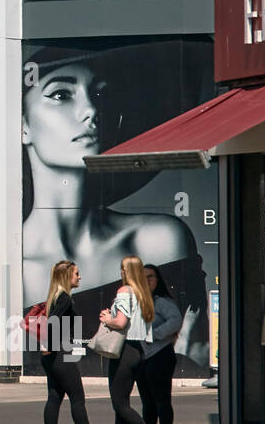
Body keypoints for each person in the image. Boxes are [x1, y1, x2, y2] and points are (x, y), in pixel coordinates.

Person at [21, 51, 207, 367]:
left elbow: (194, 349)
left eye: (98, 95)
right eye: (61, 94)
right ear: (23, 126)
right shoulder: (16, 265)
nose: (90, 110)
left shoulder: (158, 240)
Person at [97, 256, 165, 424]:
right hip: (138, 351)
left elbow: (120, 321)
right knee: (122, 403)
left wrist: (108, 319)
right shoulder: (144, 295)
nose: (120, 272)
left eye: (122, 269)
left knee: (120, 404)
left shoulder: (124, 291)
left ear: (126, 272)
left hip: (124, 350)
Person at [38, 260, 110, 424]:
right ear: (66, 276)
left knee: (54, 397)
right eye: (76, 273)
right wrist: (51, 347)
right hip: (61, 354)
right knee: (78, 399)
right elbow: (52, 324)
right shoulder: (64, 299)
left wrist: (46, 349)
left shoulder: (53, 297)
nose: (79, 277)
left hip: (52, 356)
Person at [135, 263, 182, 424]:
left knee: (162, 399)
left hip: (160, 356)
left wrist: (155, 334)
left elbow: (175, 320)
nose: (147, 281)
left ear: (158, 279)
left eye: (151, 277)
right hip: (143, 357)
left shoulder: (161, 301)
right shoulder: (138, 301)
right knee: (147, 401)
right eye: (143, 277)